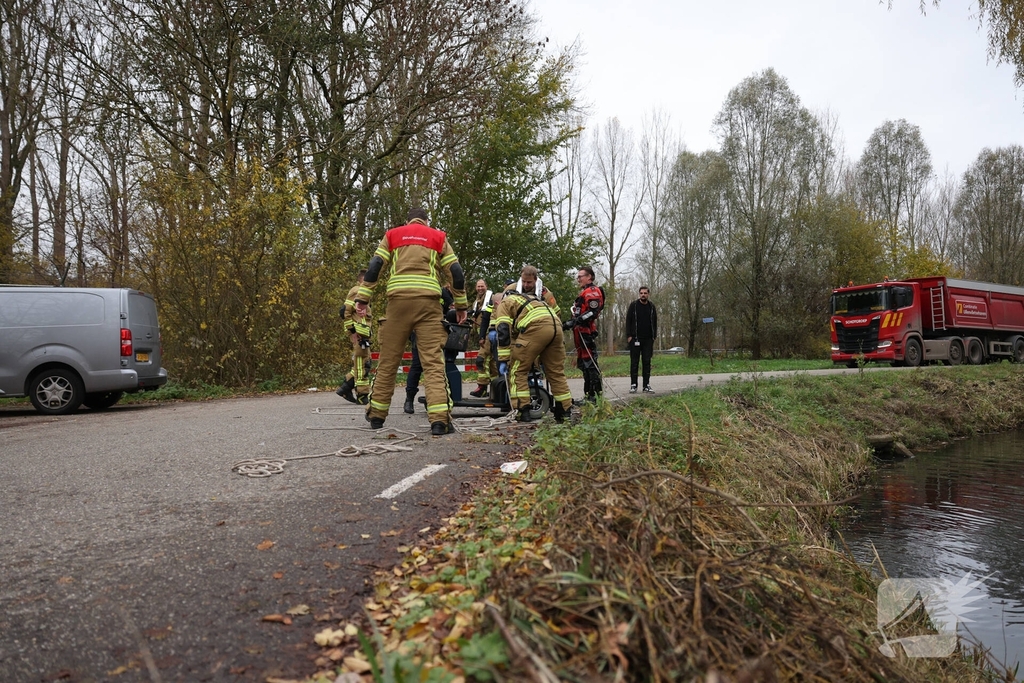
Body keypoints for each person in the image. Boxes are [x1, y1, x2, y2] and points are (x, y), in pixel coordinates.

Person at [354, 207, 467, 435]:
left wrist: (363, 298)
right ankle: (439, 421)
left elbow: (375, 267)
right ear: (426, 221)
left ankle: (376, 415)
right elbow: (456, 272)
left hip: (398, 304)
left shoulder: (392, 235)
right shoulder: (438, 237)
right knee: (433, 363)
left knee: (388, 361)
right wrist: (461, 305)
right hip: (428, 305)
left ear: (407, 221)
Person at [492, 289, 574, 423]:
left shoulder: (505, 302)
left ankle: (522, 410)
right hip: (556, 328)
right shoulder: (531, 301)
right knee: (556, 372)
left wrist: (504, 358)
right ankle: (564, 412)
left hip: (537, 327)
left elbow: (503, 329)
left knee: (517, 370)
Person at [562, 266, 604, 402]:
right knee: (584, 364)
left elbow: (593, 312)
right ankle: (588, 396)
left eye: (580, 276)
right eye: (578, 276)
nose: (578, 279)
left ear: (589, 277)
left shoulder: (592, 291)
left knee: (590, 364)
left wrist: (576, 321)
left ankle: (595, 397)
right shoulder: (584, 292)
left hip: (586, 332)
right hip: (579, 333)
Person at [336, 269, 371, 404]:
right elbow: (345, 313)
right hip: (359, 335)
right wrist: (352, 332)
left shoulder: (363, 293)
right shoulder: (357, 291)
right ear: (363, 279)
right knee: (362, 365)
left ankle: (345, 387)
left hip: (363, 334)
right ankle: (362, 395)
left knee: (362, 362)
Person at [625, 286, 658, 393]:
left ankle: (646, 385)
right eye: (641, 293)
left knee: (647, 362)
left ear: (648, 294)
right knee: (634, 362)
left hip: (648, 339)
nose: (643, 295)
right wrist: (629, 336)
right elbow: (628, 320)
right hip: (635, 339)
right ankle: (633, 385)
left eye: (645, 293)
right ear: (639, 294)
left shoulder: (651, 307)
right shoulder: (634, 306)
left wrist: (654, 336)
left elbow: (655, 321)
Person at [468, 279, 496, 398]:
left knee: (481, 359)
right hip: (483, 334)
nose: (480, 288)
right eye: (478, 286)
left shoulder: (490, 298)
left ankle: (482, 387)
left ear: (486, 286)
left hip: (489, 333)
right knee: (492, 362)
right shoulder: (477, 301)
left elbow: (486, 318)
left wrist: (483, 336)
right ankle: (496, 389)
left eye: (482, 286)